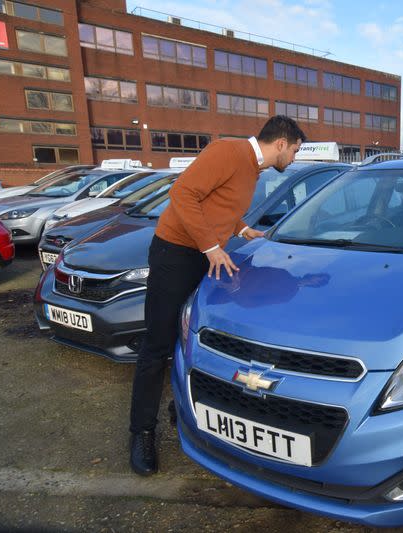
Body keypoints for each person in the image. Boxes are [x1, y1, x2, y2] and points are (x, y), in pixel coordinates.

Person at [128, 115, 306, 476]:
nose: (295, 159)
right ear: (282, 144)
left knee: (190, 336)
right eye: (296, 151)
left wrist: (242, 228)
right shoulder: (228, 151)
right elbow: (182, 193)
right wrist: (211, 247)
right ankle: (140, 432)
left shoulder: (254, 169)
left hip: (204, 255)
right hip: (175, 254)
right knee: (157, 345)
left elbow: (217, 203)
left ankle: (180, 404)